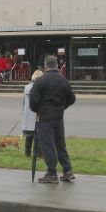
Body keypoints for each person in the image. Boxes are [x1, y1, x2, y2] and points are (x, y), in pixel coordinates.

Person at [29, 55, 76, 183]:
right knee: (60, 144)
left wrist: (37, 110)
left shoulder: (40, 80)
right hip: (58, 116)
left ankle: (52, 173)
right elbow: (72, 98)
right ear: (56, 65)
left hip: (45, 116)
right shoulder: (63, 80)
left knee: (47, 145)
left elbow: (32, 99)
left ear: (45, 66)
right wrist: (62, 107)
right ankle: (67, 170)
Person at [21, 70, 44, 157]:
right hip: (37, 115)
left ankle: (27, 153)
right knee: (38, 136)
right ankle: (39, 154)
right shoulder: (41, 89)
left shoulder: (26, 87)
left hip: (28, 115)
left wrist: (23, 112)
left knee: (29, 136)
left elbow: (24, 102)